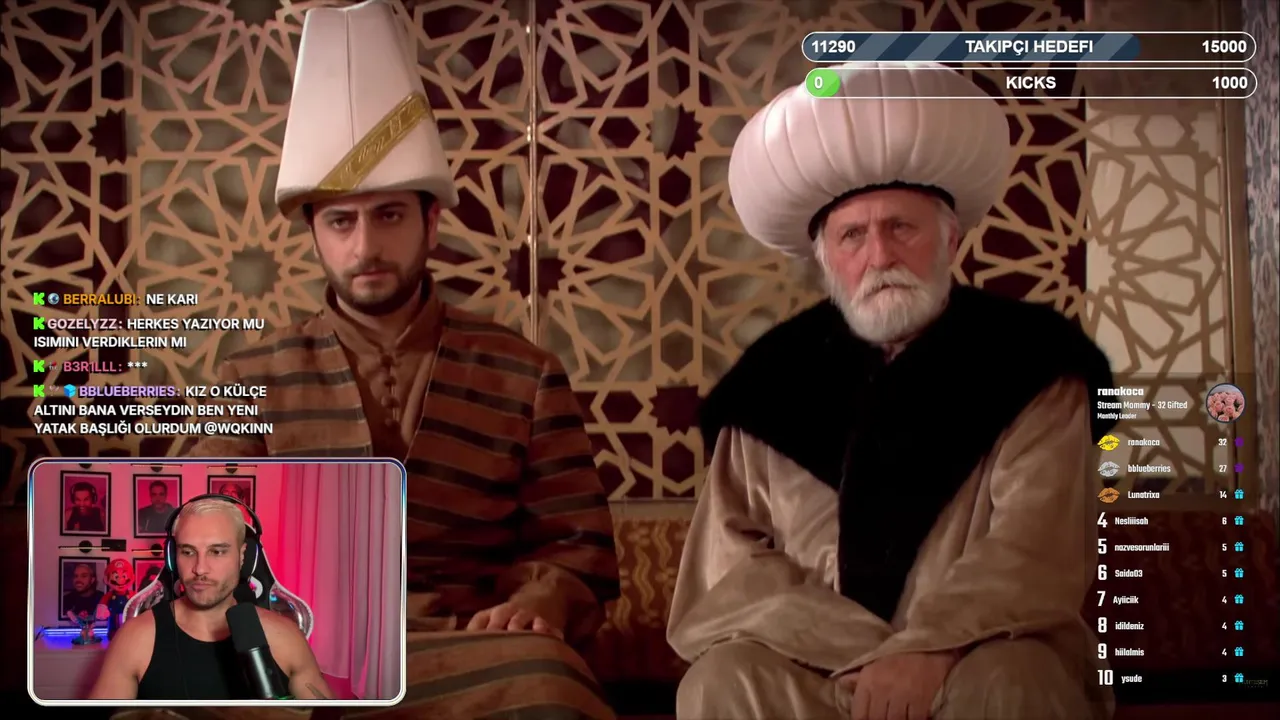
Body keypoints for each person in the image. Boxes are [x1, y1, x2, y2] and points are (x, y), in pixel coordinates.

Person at [188, 1, 618, 717]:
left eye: (389, 215)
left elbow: (578, 547)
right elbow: (195, 529)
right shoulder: (251, 376)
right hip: (299, 644)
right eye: (341, 222)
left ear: (431, 221)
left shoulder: (525, 373)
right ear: (315, 234)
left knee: (551, 685)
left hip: (471, 646)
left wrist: (542, 598)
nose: (365, 248)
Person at [668, 63, 1118, 720]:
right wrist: (870, 656)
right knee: (719, 683)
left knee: (1016, 682)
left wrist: (929, 651)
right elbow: (732, 568)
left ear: (950, 238)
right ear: (827, 261)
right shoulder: (768, 385)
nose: (879, 256)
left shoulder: (1034, 365)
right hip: (818, 668)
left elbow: (1033, 547)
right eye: (853, 235)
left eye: (901, 228)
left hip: (974, 657)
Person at [88, 498, 331, 700]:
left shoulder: (286, 638)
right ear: (173, 557)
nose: (200, 568)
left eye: (217, 551)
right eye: (188, 551)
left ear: (243, 556)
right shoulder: (135, 639)